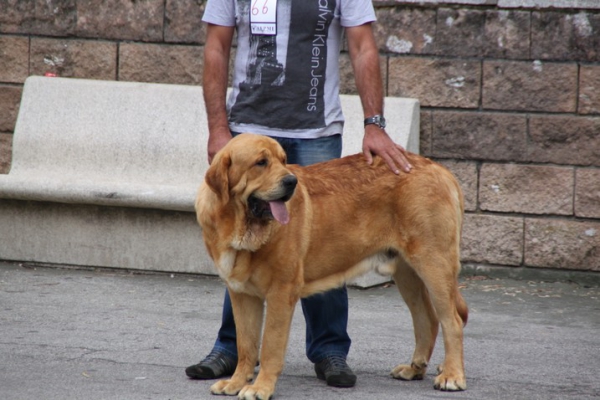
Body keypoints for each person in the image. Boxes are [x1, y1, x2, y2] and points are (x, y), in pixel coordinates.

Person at [186, 0, 412, 388]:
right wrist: (218, 128)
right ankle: (233, 352)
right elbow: (216, 46)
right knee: (240, 246)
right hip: (247, 133)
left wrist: (374, 123)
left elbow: (362, 45)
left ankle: (329, 350)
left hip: (315, 133)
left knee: (326, 243)